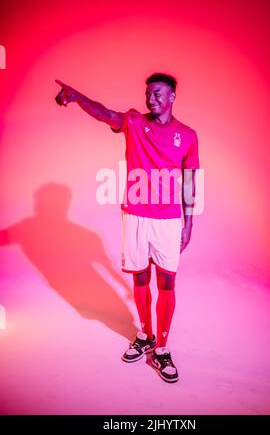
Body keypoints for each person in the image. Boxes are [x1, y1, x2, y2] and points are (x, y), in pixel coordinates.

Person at [55, 73, 200, 383]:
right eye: (148, 93)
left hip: (168, 220)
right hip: (135, 215)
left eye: (158, 93)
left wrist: (189, 222)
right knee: (140, 277)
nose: (152, 98)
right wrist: (78, 97)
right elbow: (105, 113)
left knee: (166, 283)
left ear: (172, 96)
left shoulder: (187, 135)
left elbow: (189, 182)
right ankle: (145, 335)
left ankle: (161, 348)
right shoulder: (134, 121)